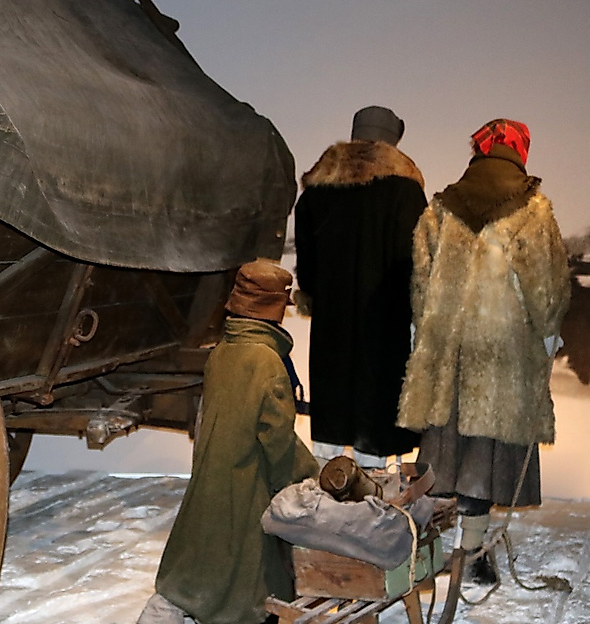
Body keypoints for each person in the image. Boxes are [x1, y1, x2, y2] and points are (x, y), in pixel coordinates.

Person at [397, 118, 570, 583]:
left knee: (445, 455)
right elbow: (548, 291)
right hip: (503, 359)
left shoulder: (440, 209)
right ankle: (473, 552)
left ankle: (419, 553)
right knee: (486, 457)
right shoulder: (532, 210)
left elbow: (419, 285)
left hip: (448, 354)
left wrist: (426, 336)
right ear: (519, 152)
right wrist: (548, 333)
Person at [138, 259, 320, 624]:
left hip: (213, 474)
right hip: (246, 485)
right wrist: (309, 478)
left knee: (204, 546)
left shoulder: (222, 352)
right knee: (251, 571)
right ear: (275, 310)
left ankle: (185, 600)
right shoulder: (267, 362)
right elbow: (278, 443)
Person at [293, 105, 427, 468]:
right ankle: (373, 490)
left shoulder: (317, 192)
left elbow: (307, 264)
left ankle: (327, 479)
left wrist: (321, 294)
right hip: (386, 318)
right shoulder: (405, 191)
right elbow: (418, 259)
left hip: (332, 320)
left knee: (331, 397)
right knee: (378, 404)